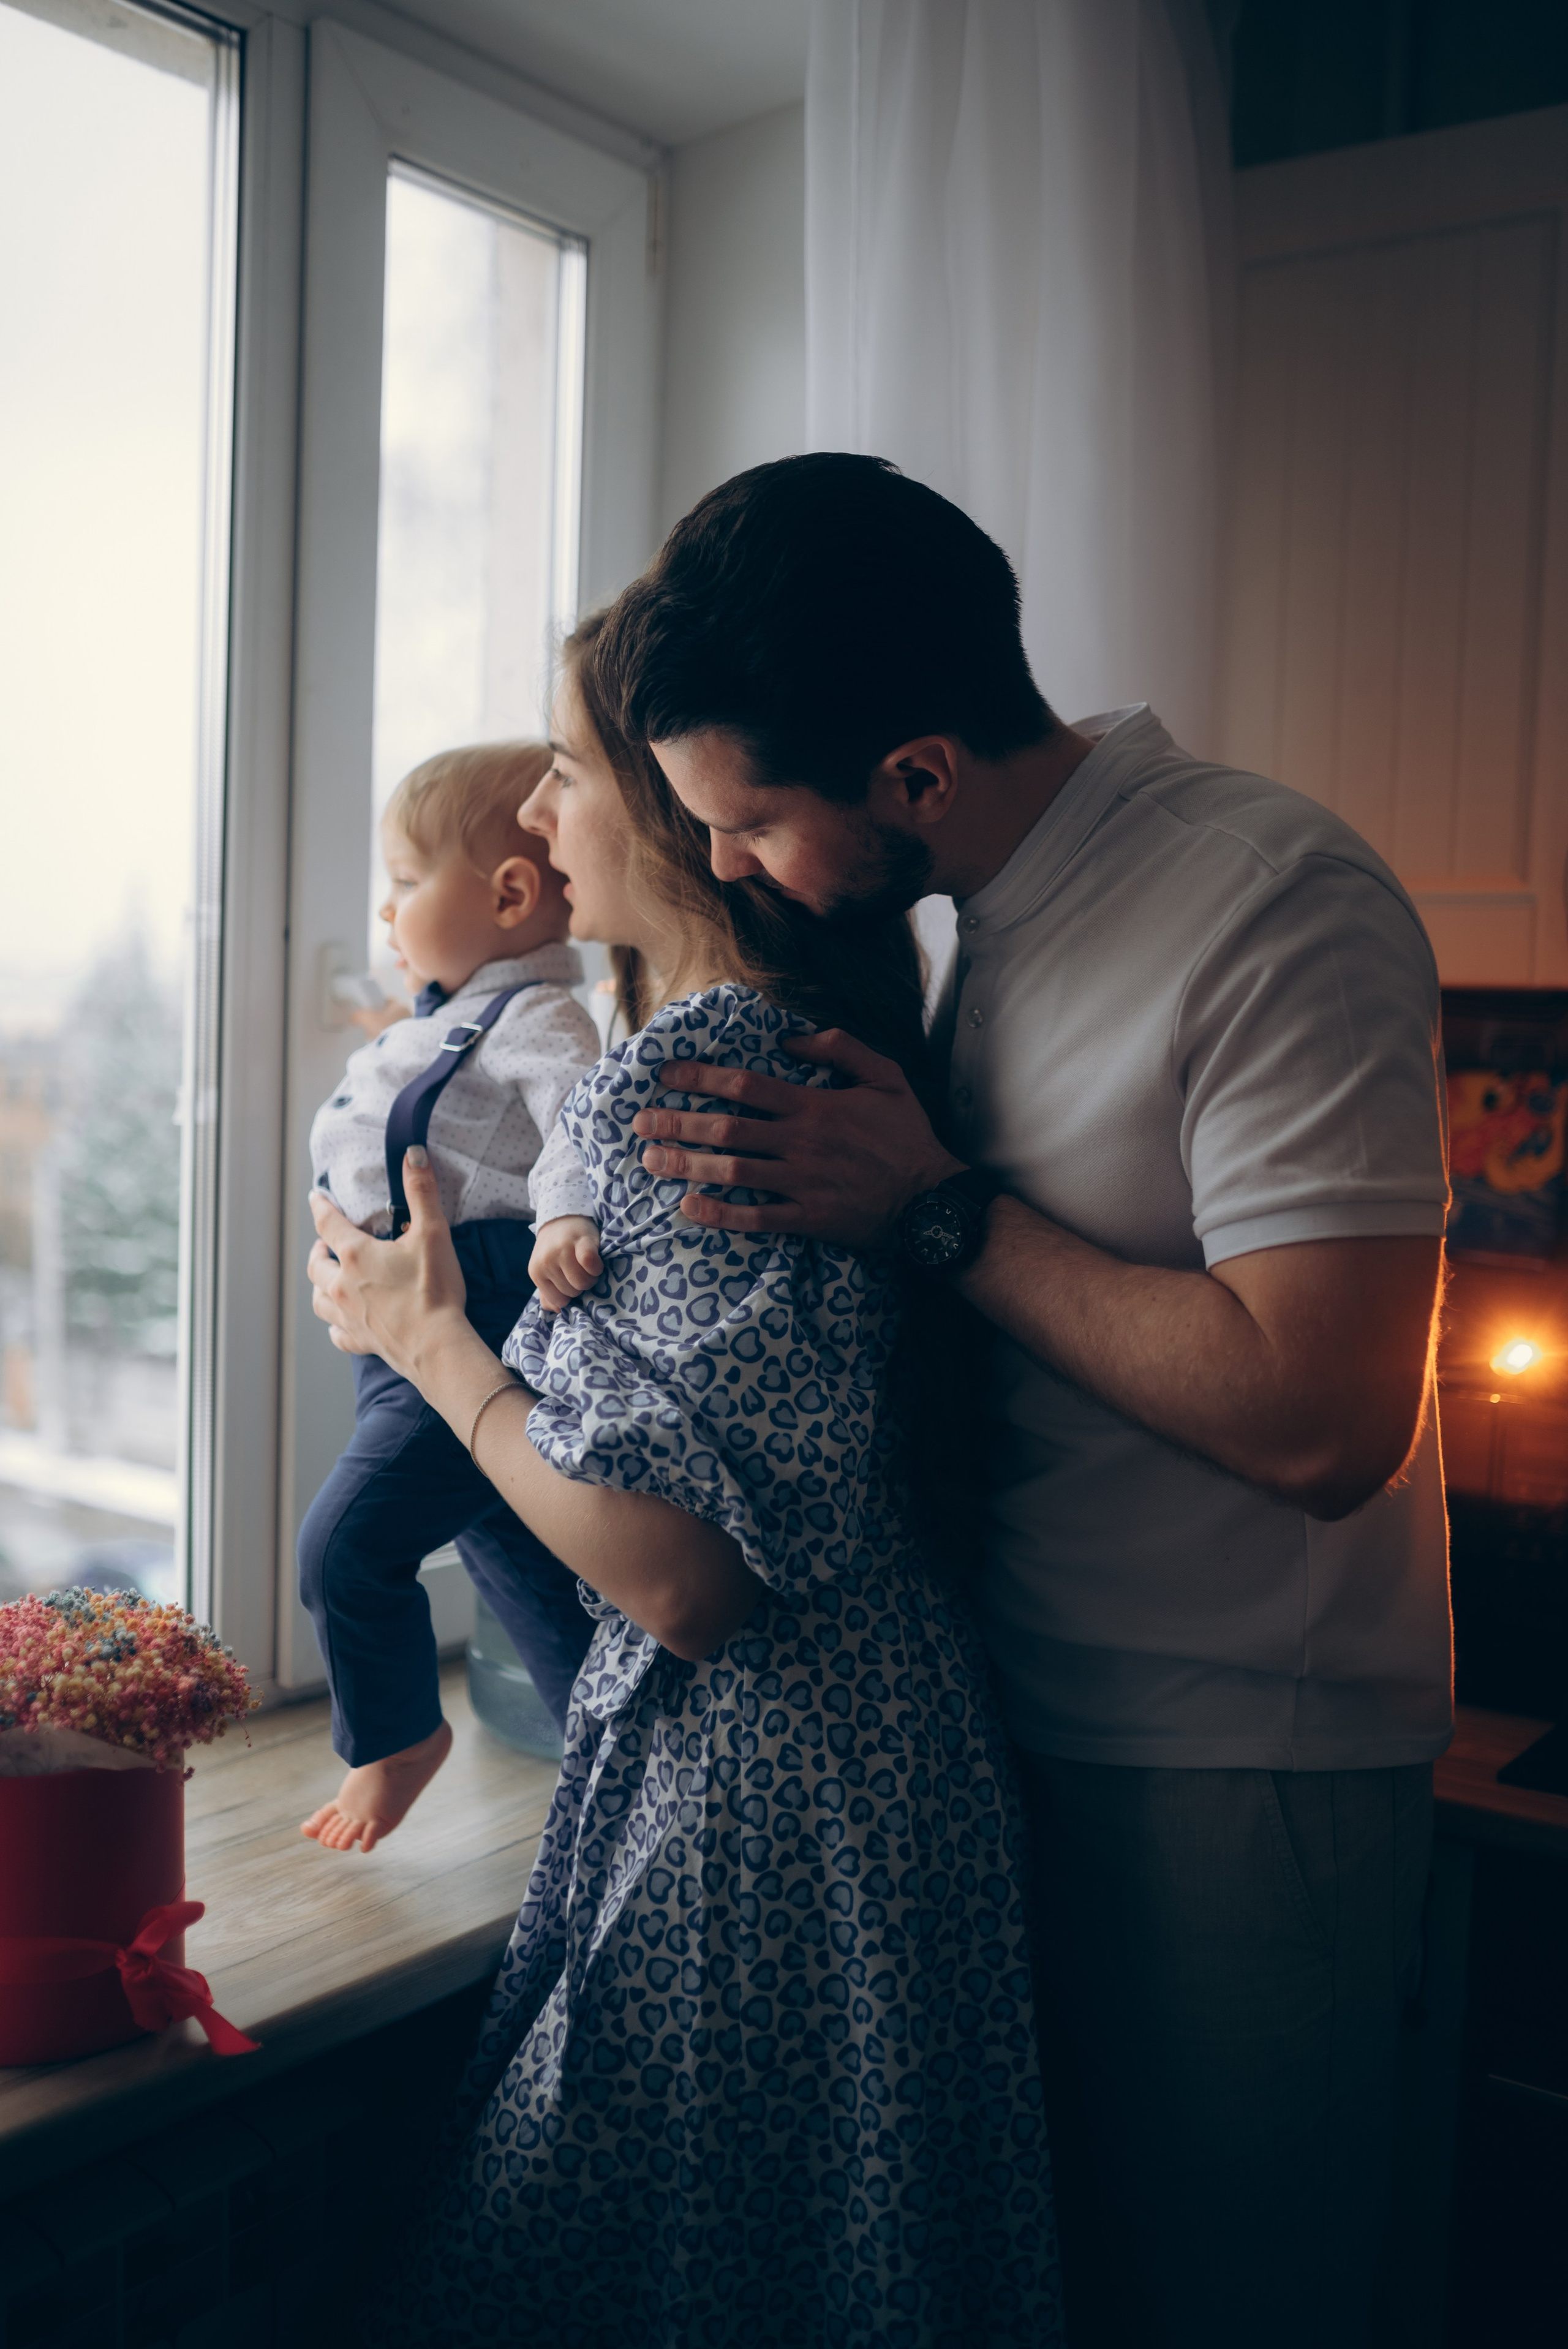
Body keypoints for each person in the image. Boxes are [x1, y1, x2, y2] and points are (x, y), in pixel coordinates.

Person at [595, 453, 1452, 2349]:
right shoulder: (978, 910)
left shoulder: (1267, 899)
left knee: (1237, 2302)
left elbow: (1327, 1419)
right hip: (1013, 1723)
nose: (726, 867)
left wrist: (932, 1208)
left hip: (1240, 1757)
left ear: (915, 774)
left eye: (746, 822)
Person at [306, 617, 1063, 2349]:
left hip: (764, 1798)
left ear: (675, 806)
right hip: (883, 1758)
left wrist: (435, 1347)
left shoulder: (690, 1077)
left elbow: (685, 1579)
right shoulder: (772, 1045)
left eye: (569, 770)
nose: (547, 812)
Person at [298, 742, 598, 1852]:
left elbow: (582, 1123)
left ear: (511, 894)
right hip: (406, 1332)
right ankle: (601, 1761)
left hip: (475, 1320)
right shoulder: (440, 1020)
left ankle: (395, 1740)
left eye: (407, 881)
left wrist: (565, 1217)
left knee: (343, 1550)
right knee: (524, 1573)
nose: (386, 908)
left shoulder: (540, 1020)